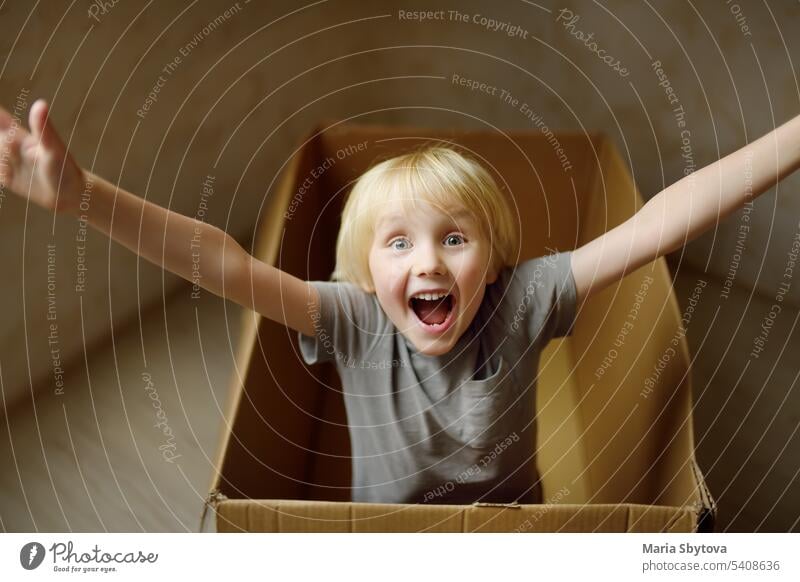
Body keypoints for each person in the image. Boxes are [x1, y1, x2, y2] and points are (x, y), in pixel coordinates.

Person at [2, 99, 799, 504]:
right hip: (380, 529)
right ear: (362, 274)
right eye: (398, 243)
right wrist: (86, 198)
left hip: (517, 520)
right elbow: (223, 262)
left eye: (456, 239)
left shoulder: (523, 299)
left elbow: (659, 221)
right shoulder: (349, 320)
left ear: (493, 264)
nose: (428, 262)